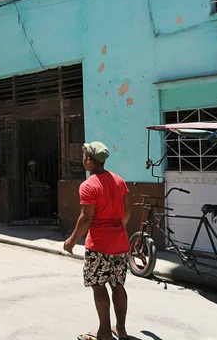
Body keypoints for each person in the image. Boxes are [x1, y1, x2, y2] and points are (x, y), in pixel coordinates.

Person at [63, 142, 131, 340]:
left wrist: (72, 240)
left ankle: (104, 333)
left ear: (88, 160)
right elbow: (127, 211)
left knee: (99, 286)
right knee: (118, 285)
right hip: (120, 243)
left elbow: (86, 218)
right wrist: (119, 228)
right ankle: (122, 330)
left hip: (99, 245)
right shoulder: (119, 181)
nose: (83, 158)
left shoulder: (88, 185)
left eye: (84, 155)